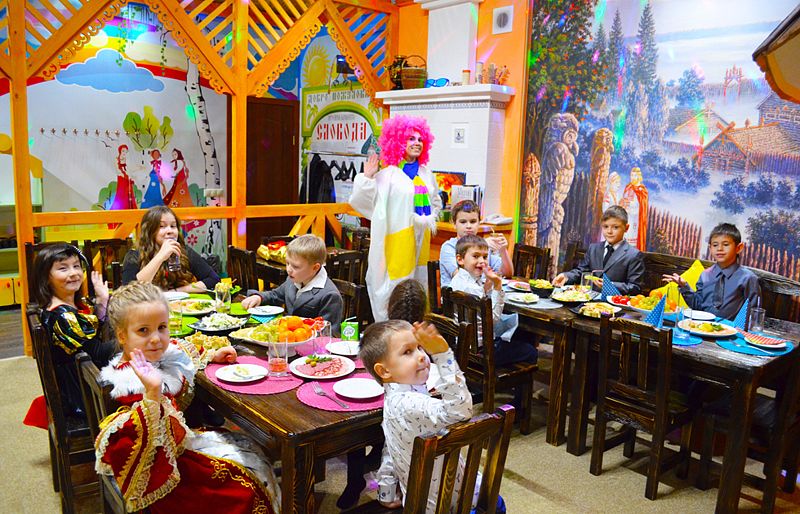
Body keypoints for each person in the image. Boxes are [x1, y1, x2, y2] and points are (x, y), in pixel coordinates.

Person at [94, 282, 280, 513]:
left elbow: (179, 356)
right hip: (165, 470)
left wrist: (212, 355)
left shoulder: (152, 356)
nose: (156, 338)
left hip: (180, 444)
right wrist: (152, 393)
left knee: (253, 452)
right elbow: (138, 447)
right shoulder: (130, 385)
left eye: (162, 327)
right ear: (122, 336)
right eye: (143, 330)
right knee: (246, 487)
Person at [360, 320, 473, 512]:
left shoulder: (394, 398)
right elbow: (461, 411)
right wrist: (443, 355)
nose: (421, 356)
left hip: (426, 500)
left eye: (420, 347)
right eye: (407, 352)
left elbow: (392, 446)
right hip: (452, 503)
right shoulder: (409, 403)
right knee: (495, 502)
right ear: (384, 371)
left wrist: (386, 492)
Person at [349, 115, 442, 321]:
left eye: (420, 139)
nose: (417, 143)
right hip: (394, 242)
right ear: (398, 141)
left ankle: (413, 330)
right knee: (393, 287)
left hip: (420, 243)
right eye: (411, 138)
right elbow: (363, 201)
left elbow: (435, 201)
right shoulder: (388, 175)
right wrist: (367, 178)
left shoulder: (426, 174)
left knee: (417, 288)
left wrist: (429, 217)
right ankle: (390, 330)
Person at [23, 243, 118, 428]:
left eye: (76, 266)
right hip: (84, 397)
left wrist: (102, 301)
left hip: (84, 381)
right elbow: (98, 352)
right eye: (63, 268)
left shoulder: (68, 305)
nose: (73, 273)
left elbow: (91, 339)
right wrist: (132, 339)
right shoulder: (62, 317)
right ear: (46, 277)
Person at [450, 235, 538, 367]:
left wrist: (487, 287)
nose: (482, 261)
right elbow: (492, 319)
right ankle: (501, 379)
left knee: (520, 335)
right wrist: (497, 285)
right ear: (460, 259)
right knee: (530, 351)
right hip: (480, 351)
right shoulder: (471, 288)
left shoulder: (458, 280)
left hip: (461, 347)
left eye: (485, 257)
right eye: (476, 256)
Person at [241, 234, 343, 336]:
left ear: (315, 267)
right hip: (287, 337)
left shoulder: (330, 295)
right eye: (287, 263)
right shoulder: (294, 278)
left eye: (295, 266)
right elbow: (276, 295)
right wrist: (259, 298)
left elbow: (328, 333)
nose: (289, 269)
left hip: (308, 342)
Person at [663, 223, 760, 320]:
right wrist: (684, 286)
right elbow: (698, 307)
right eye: (715, 245)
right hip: (702, 325)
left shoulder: (748, 278)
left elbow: (753, 313)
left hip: (731, 328)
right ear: (710, 248)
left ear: (739, 248)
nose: (719, 249)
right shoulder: (705, 275)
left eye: (726, 244)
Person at [122, 205, 220, 292]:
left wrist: (176, 292)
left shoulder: (183, 251)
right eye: (162, 226)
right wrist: (160, 256)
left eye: (173, 226)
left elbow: (213, 280)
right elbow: (130, 292)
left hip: (180, 305)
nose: (170, 231)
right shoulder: (134, 255)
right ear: (150, 231)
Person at [553, 205, 644, 296]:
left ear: (626, 228)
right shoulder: (593, 248)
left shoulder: (634, 255)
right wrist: (567, 276)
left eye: (615, 227)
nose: (609, 231)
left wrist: (610, 285)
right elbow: (582, 271)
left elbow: (635, 287)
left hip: (613, 302)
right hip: (588, 299)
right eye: (605, 226)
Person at [439, 200, 512, 289]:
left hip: (482, 294)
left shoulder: (483, 246)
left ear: (479, 223)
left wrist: (503, 250)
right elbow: (461, 280)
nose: (468, 226)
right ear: (454, 224)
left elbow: (507, 274)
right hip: (457, 295)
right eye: (463, 222)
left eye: (473, 221)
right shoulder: (448, 247)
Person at [621, 167, 649, 251]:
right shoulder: (628, 187)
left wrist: (631, 206)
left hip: (635, 219)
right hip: (626, 217)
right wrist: (623, 203)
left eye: (634, 175)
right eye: (631, 175)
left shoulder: (642, 191)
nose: (632, 177)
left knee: (632, 242)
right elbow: (624, 198)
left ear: (639, 177)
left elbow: (641, 206)